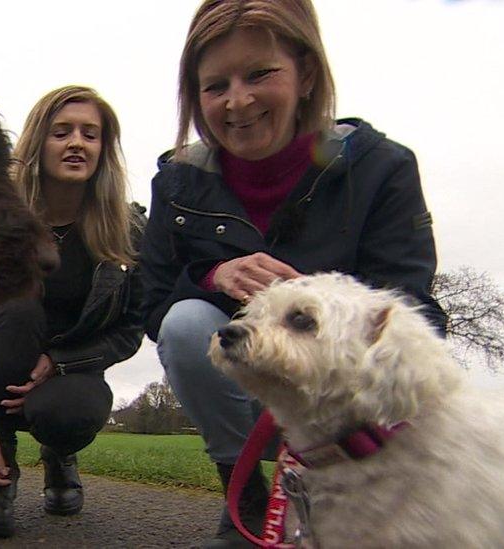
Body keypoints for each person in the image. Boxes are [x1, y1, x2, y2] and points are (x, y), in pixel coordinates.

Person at [140, 1, 447, 547]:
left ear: (307, 74)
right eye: (215, 86)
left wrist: (312, 307)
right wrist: (213, 277)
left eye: (260, 73)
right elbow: (153, 301)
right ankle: (248, 493)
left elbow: (410, 307)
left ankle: (346, 487)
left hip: (340, 388)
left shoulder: (382, 167)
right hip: (239, 374)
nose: (238, 101)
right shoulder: (177, 182)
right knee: (186, 325)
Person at [0, 85, 144, 538]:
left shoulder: (128, 230)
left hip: (74, 372)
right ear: (39, 143)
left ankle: (59, 454)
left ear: (103, 150)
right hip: (6, 355)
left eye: (90, 134)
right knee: (16, 310)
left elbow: (132, 329)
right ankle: (0, 474)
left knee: (70, 413)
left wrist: (62, 362)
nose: (77, 142)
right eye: (62, 132)